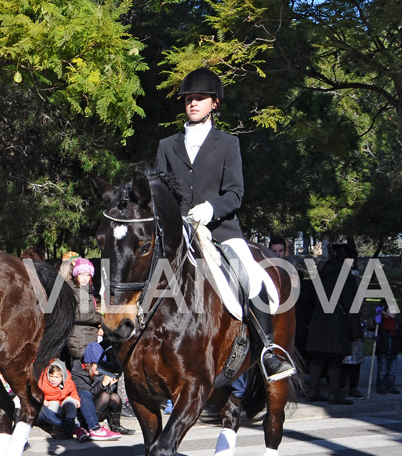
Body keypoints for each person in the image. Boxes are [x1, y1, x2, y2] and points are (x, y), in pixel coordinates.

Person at [155, 68, 295, 383]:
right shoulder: (167, 145)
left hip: (221, 231)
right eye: (189, 99)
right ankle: (118, 345)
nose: (193, 103)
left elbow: (235, 193)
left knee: (250, 276)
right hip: (178, 234)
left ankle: (268, 350)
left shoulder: (228, 144)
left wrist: (210, 208)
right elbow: (159, 190)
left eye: (200, 98)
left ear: (214, 103)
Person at [306, 243, 362, 404]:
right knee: (336, 358)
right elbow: (351, 304)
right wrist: (356, 330)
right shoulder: (346, 275)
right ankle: (335, 393)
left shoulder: (322, 272)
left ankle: (313, 390)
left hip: (319, 318)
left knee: (318, 356)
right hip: (338, 321)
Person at [70, 342, 125, 441]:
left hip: (99, 408)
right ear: (88, 363)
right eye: (97, 365)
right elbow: (86, 396)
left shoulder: (100, 370)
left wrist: (110, 384)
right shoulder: (77, 372)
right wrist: (103, 384)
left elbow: (106, 391)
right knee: (100, 395)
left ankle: (115, 425)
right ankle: (93, 428)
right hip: (85, 412)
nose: (100, 369)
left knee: (114, 397)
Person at [66, 257, 103, 364]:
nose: (85, 278)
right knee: (81, 373)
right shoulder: (73, 290)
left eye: (88, 275)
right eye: (82, 274)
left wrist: (100, 324)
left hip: (88, 336)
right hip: (79, 339)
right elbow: (79, 315)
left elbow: (89, 312)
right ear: (76, 274)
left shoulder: (86, 289)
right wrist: (101, 318)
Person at [36, 359, 81, 439]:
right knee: (54, 403)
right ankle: (55, 428)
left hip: (62, 407)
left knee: (70, 401)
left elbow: (73, 391)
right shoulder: (42, 383)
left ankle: (70, 422)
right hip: (50, 409)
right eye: (51, 376)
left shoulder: (68, 382)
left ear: (62, 377)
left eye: (57, 377)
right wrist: (42, 400)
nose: (53, 379)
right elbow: (35, 393)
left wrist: (76, 398)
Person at [374, 298, 401, 395]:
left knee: (392, 371)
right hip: (383, 350)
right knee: (383, 369)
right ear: (384, 311)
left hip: (393, 351)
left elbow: (400, 337)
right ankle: (381, 385)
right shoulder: (380, 323)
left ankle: (390, 385)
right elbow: (372, 328)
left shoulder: (397, 324)